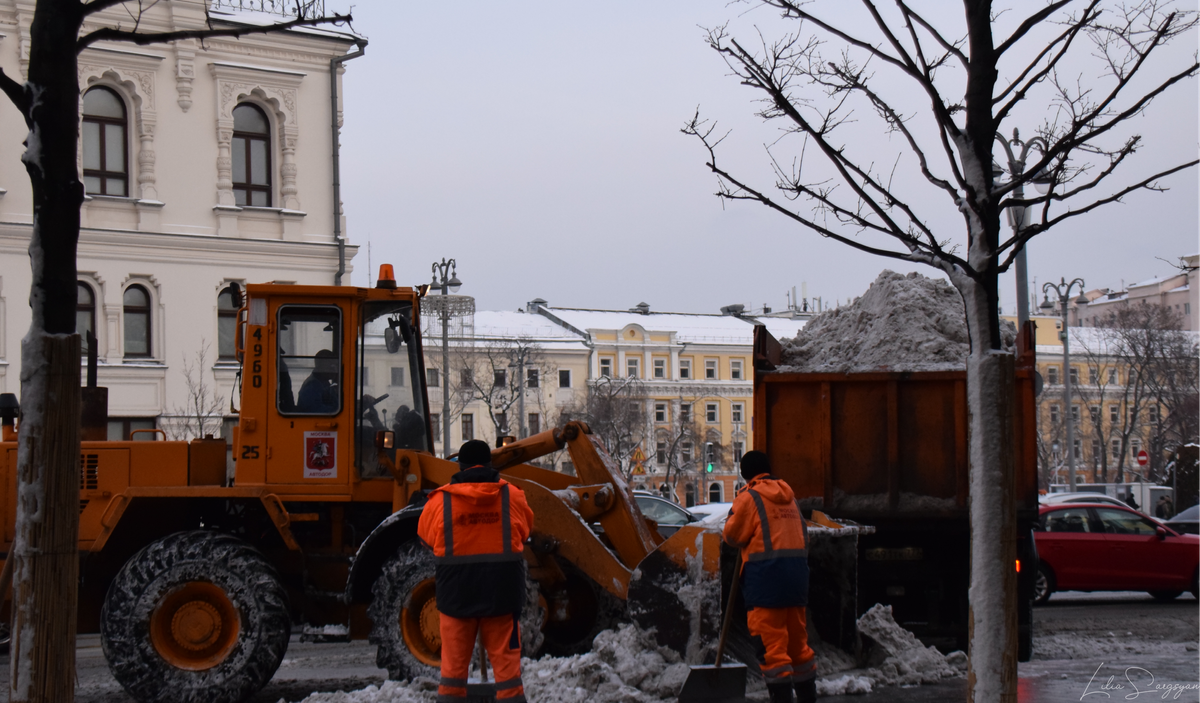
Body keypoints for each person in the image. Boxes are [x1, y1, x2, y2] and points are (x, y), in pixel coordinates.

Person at [417, 440, 534, 703]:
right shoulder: (513, 496)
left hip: (456, 596)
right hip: (502, 595)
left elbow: (426, 539)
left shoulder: (439, 502)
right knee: (508, 674)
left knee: (452, 673)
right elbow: (525, 532)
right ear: (490, 464)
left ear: (461, 466)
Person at [723, 451, 816, 703]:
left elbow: (732, 536)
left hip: (765, 585)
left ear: (745, 474)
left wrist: (732, 517)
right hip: (796, 582)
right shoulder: (790, 497)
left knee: (773, 652)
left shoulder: (749, 497)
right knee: (798, 647)